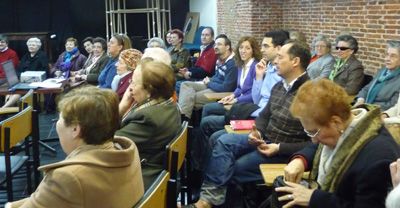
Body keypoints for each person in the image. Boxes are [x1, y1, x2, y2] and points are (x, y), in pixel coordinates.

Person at [183, 41, 312, 208]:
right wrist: (256, 132)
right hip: (265, 140)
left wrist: (279, 148)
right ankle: (209, 197)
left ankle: (211, 201)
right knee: (223, 141)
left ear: (295, 61)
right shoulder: (280, 86)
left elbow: (314, 144)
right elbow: (264, 116)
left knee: (230, 168)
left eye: (280, 57)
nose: (275, 61)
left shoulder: (310, 93)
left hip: (284, 152)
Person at [6, 86, 144, 207]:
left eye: (60, 118)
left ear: (75, 129)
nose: (57, 124)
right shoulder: (126, 150)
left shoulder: (67, 178)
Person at [276, 79, 400, 208]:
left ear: (336, 122)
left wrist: (314, 198)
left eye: (313, 132)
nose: (313, 139)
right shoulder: (347, 126)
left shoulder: (378, 159)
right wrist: (301, 160)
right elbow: (319, 146)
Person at [115, 60, 181, 190]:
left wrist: (121, 109)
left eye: (134, 82)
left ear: (150, 89)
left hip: (142, 176)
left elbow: (108, 144)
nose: (130, 87)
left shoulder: (148, 118)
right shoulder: (168, 104)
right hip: (153, 166)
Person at [199, 36, 261, 121]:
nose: (243, 51)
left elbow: (254, 94)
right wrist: (232, 96)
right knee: (207, 108)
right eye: (241, 48)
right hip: (238, 102)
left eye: (247, 48)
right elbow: (239, 88)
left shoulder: (256, 67)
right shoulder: (241, 65)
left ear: (253, 51)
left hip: (247, 106)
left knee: (208, 109)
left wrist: (236, 100)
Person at [178, 34, 238, 120]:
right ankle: (184, 119)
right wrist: (210, 79)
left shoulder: (232, 64)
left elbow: (226, 88)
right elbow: (217, 76)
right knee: (185, 85)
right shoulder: (219, 59)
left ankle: (183, 120)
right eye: (215, 44)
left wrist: (210, 83)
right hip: (212, 84)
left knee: (190, 97)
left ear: (227, 47)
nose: (216, 47)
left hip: (220, 91)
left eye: (219, 44)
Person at [119, 47, 172, 117]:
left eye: (142, 65)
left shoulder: (146, 114)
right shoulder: (168, 100)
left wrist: (122, 107)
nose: (131, 87)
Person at [3, 37, 49, 108]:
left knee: (17, 93)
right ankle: (6, 110)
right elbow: (19, 69)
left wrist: (28, 76)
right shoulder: (25, 56)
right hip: (23, 81)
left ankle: (3, 109)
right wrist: (19, 76)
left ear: (38, 46)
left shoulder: (42, 56)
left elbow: (45, 71)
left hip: (35, 82)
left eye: (33, 45)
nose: (31, 46)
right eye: (29, 45)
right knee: (10, 91)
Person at [354, 40, 400, 111]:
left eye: (393, 56)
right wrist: (361, 99)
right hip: (365, 109)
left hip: (380, 114)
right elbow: (366, 88)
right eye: (387, 54)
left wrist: (367, 107)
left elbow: (392, 105)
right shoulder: (382, 71)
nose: (387, 59)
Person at [176, 27, 218, 93]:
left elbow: (205, 71)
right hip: (198, 76)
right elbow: (198, 66)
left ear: (212, 37)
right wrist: (188, 70)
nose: (204, 37)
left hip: (205, 79)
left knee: (178, 84)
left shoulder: (212, 51)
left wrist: (190, 73)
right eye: (202, 35)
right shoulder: (204, 48)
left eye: (207, 35)